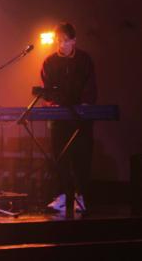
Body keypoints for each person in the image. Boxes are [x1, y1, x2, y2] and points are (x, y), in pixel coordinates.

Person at [41, 22, 97, 215]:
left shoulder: (84, 60)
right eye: (59, 41)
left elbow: (90, 87)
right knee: (59, 156)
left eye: (66, 40)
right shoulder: (49, 62)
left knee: (82, 157)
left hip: (80, 118)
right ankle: (62, 196)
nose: (62, 44)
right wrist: (54, 104)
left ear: (74, 41)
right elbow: (47, 89)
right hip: (60, 119)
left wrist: (84, 105)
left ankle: (81, 196)